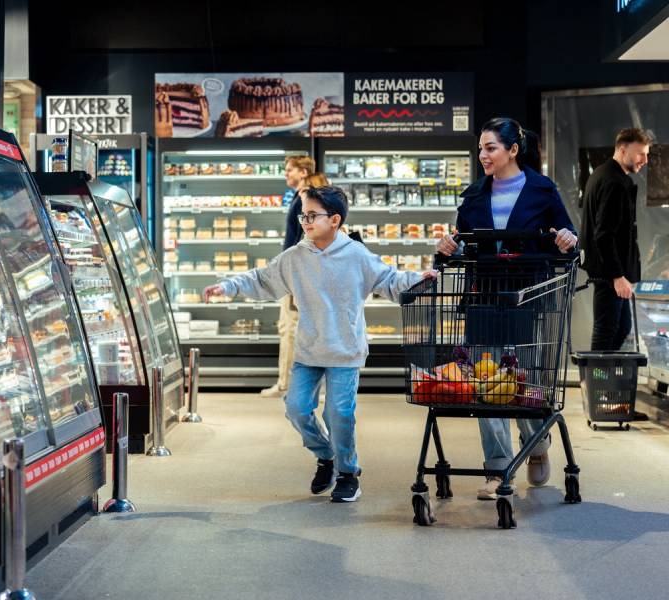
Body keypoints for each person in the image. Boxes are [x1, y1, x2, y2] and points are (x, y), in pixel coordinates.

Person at [205, 186, 435, 502]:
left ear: (335, 220)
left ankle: (347, 472)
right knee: (297, 409)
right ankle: (326, 455)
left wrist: (420, 279)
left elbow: (390, 281)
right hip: (309, 350)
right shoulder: (296, 257)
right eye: (304, 215)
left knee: (339, 414)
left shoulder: (357, 255)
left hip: (345, 349)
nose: (305, 221)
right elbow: (263, 279)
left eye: (313, 215)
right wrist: (227, 286)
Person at [437, 117, 577, 500]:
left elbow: (567, 238)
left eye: (491, 148)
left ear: (513, 150)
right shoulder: (474, 197)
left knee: (522, 380)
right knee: (487, 383)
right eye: (480, 148)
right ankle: (498, 469)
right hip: (483, 296)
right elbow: (465, 243)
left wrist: (567, 239)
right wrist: (451, 247)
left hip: (528, 297)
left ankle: (535, 442)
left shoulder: (543, 192)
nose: (483, 155)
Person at [580, 128, 652, 352]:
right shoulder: (614, 182)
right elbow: (603, 235)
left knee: (620, 328)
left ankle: (602, 381)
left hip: (611, 273)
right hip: (610, 275)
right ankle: (595, 384)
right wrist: (617, 276)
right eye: (640, 153)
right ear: (623, 150)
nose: (645, 160)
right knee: (607, 330)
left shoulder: (604, 174)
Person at [260, 155, 316, 398]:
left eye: (289, 170)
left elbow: (306, 237)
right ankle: (292, 384)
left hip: (296, 273)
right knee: (294, 328)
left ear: (303, 172)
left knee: (290, 328)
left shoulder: (306, 197)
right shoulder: (301, 196)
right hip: (297, 271)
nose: (286, 175)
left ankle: (287, 385)